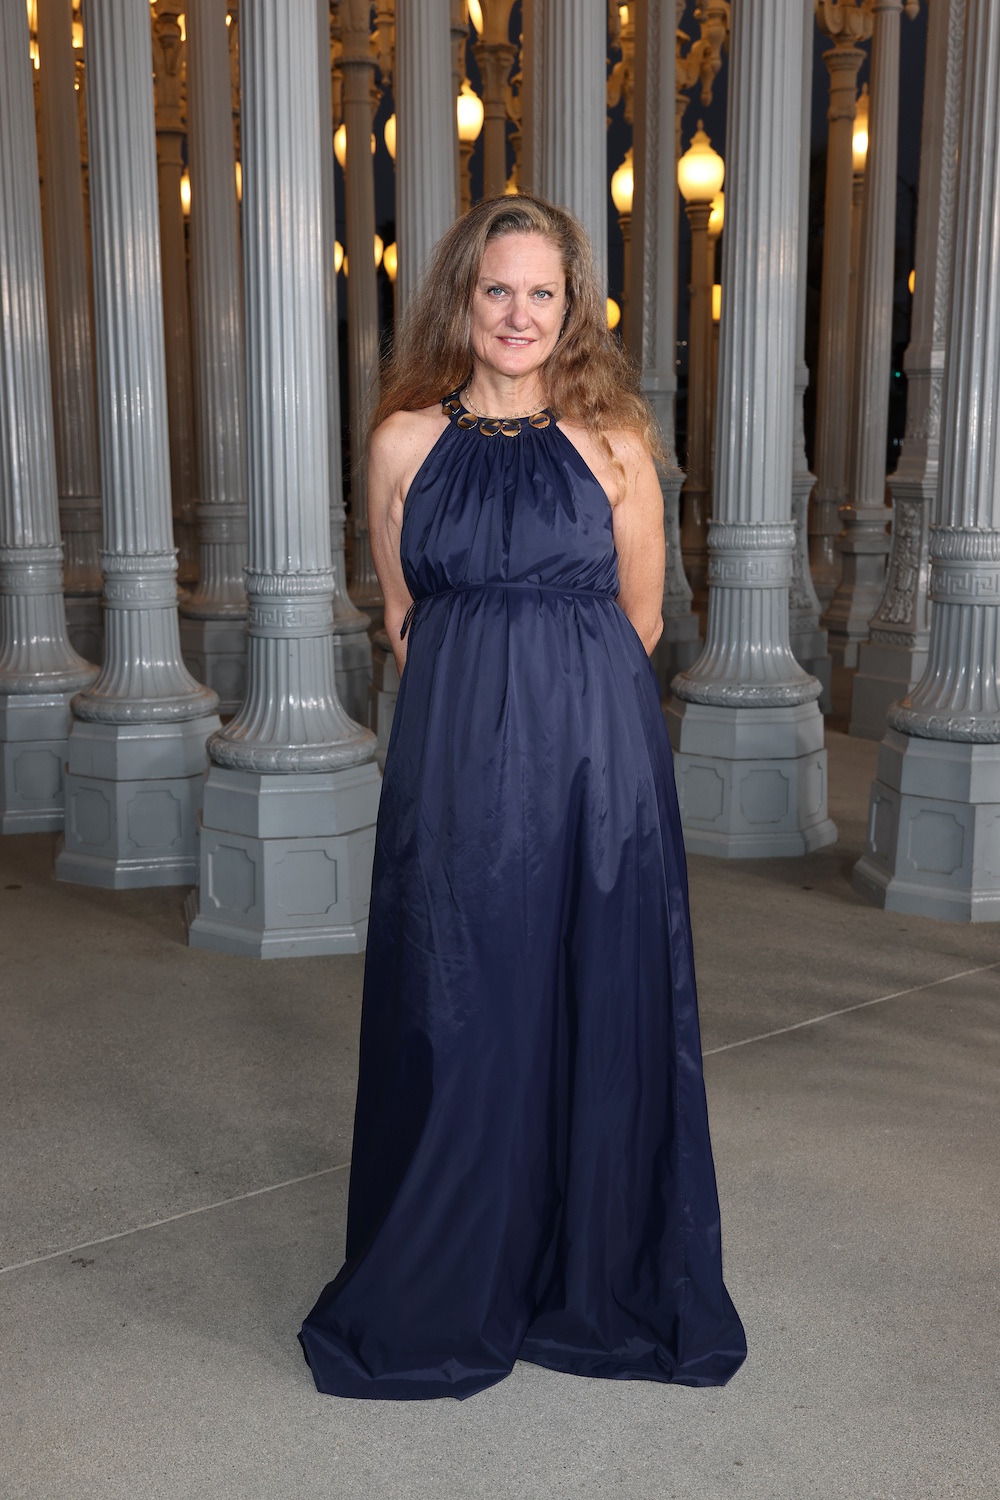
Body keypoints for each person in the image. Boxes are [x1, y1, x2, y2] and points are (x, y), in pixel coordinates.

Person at [299, 193, 746, 1400]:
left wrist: (553, 714)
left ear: (572, 308)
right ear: (462, 297)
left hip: (597, 762)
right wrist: (479, 715)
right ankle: (450, 1267)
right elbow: (403, 615)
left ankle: (584, 1267)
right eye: (497, 289)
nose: (518, 313)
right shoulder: (402, 440)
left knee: (594, 997)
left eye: (541, 293)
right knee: (459, 1000)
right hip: (455, 763)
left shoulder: (616, 443)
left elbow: (639, 616)